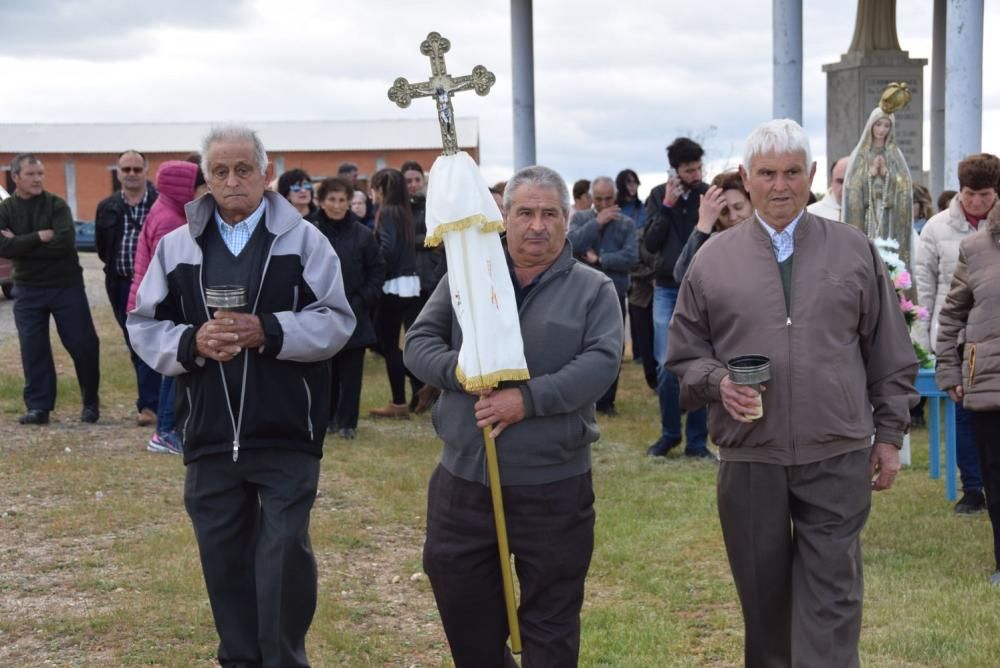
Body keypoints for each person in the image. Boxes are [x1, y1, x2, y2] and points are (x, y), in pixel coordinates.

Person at [666, 119, 918, 667]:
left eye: (791, 173)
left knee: (832, 597)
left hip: (838, 449)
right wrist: (719, 383)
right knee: (764, 601)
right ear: (747, 181)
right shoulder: (713, 259)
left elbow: (889, 352)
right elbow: (683, 355)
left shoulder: (853, 250)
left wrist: (890, 434)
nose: (779, 186)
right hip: (749, 455)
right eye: (766, 174)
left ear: (811, 177)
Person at [127, 126, 355, 668]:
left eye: (244, 169)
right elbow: (142, 324)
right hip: (207, 433)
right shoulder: (177, 246)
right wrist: (191, 340)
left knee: (282, 564)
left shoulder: (304, 241)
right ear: (206, 179)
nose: (233, 181)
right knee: (224, 565)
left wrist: (269, 331)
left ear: (266, 174)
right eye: (221, 172)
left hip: (285, 434)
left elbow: (337, 319)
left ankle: (283, 660)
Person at [404, 165, 623, 667]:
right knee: (464, 608)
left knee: (550, 621)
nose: (537, 226)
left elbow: (600, 363)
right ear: (504, 218)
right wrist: (463, 373)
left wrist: (528, 399)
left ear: (568, 221)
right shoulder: (468, 278)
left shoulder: (593, 290)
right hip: (465, 478)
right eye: (525, 212)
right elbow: (418, 343)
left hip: (554, 484)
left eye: (550, 214)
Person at [916, 153, 1000, 515]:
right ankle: (973, 485)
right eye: (969, 194)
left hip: (992, 337)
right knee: (964, 414)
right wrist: (927, 339)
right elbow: (924, 286)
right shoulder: (937, 228)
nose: (976, 202)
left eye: (984, 194)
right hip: (958, 337)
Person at [0, 153, 102, 425]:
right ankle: (38, 407)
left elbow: (64, 245)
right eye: (31, 174)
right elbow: (2, 247)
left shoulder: (56, 206)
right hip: (27, 289)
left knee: (83, 344)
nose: (37, 179)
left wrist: (20, 244)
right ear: (16, 177)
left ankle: (90, 402)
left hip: (65, 285)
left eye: (40, 174)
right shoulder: (6, 209)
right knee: (33, 348)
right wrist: (38, 237)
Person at [935, 201, 1000, 587]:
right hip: (990, 383)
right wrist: (949, 369)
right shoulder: (976, 249)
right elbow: (952, 316)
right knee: (996, 476)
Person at [128, 157, 207, 455]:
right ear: (185, 189)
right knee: (173, 368)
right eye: (201, 186)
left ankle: (168, 427)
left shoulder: (166, 211)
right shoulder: (171, 222)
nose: (205, 193)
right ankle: (166, 430)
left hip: (162, 303)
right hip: (165, 306)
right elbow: (174, 272)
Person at [644, 136, 711, 458]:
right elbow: (650, 244)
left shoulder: (709, 195)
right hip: (667, 290)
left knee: (701, 363)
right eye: (689, 170)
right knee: (665, 364)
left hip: (702, 289)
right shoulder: (658, 196)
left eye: (698, 168)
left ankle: (697, 442)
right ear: (675, 170)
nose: (695, 175)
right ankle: (670, 433)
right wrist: (668, 207)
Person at [310, 177, 385, 439]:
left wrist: (363, 299)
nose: (337, 205)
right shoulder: (310, 231)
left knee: (351, 372)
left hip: (355, 311)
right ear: (321, 201)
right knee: (324, 371)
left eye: (342, 200)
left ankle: (347, 423)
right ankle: (326, 418)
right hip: (320, 312)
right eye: (331, 199)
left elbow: (376, 272)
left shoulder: (363, 235)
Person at [95, 150, 160, 426]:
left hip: (154, 284)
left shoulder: (159, 204)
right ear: (118, 173)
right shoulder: (107, 206)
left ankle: (150, 405)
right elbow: (102, 248)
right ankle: (150, 400)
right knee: (133, 342)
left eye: (136, 169)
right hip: (121, 284)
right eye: (126, 169)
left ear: (146, 171)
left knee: (152, 341)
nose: (131, 174)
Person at [567, 176, 638, 416]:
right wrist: (596, 222)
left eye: (609, 198)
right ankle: (583, 396)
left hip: (614, 291)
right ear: (590, 198)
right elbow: (571, 245)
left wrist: (601, 260)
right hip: (580, 291)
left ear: (615, 196)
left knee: (612, 346)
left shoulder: (626, 224)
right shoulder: (581, 218)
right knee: (579, 345)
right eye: (599, 199)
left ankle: (607, 402)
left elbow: (631, 257)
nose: (604, 203)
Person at [369, 168, 423, 418]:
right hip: (408, 283)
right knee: (389, 344)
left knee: (385, 344)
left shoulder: (388, 212)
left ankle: (406, 397)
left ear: (381, 188)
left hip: (392, 284)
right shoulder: (402, 211)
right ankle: (407, 395)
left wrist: (372, 264)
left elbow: (388, 249)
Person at [842, 107, 914, 269]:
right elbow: (852, 186)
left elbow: (904, 187)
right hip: (868, 215)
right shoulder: (861, 155)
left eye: (886, 126)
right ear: (871, 126)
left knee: (887, 254)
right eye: (878, 124)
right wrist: (871, 173)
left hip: (888, 216)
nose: (882, 130)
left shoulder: (895, 155)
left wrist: (888, 175)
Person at [672, 170, 752, 283]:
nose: (733, 217)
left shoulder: (770, 235)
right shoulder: (714, 243)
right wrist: (703, 225)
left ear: (752, 203)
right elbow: (681, 275)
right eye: (724, 212)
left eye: (738, 207)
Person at [806, 156, 848, 221]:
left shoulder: (868, 213)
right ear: (831, 181)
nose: (845, 187)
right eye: (840, 181)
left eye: (850, 182)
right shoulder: (810, 214)